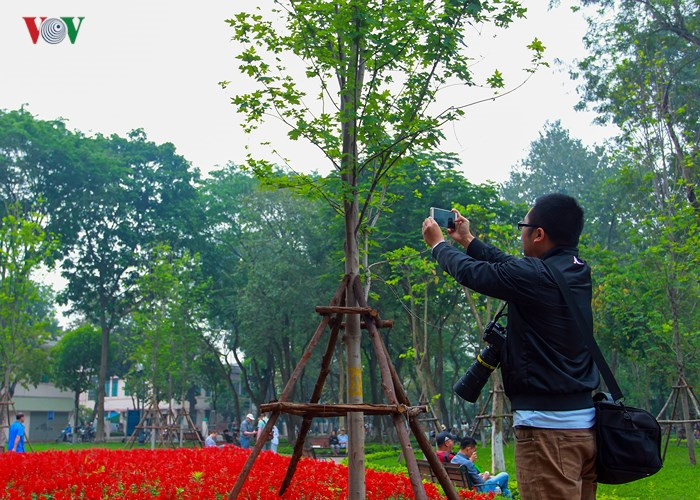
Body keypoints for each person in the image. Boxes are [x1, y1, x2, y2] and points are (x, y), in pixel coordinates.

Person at [422, 194, 598, 500]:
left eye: (524, 226)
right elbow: (513, 266)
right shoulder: (575, 269)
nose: (521, 233)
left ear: (538, 234)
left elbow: (474, 274)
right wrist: (468, 240)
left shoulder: (536, 275)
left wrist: (439, 246)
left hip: (548, 432)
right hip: (585, 427)